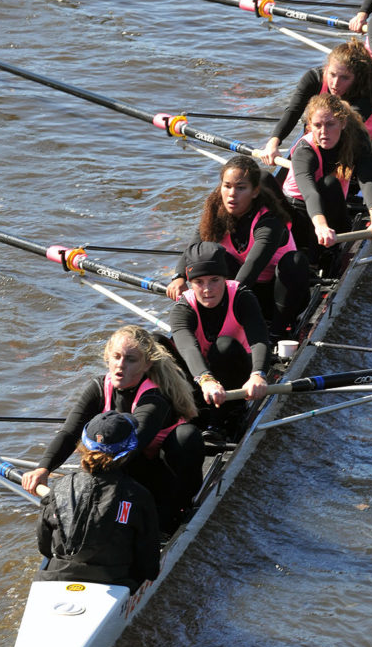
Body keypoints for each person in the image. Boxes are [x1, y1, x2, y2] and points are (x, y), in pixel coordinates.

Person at [22, 325, 204, 533]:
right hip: (125, 468)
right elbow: (69, 432)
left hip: (162, 473)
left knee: (186, 436)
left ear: (147, 365)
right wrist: (44, 468)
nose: (120, 365)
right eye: (116, 357)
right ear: (107, 358)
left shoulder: (155, 398)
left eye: (130, 359)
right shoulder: (99, 387)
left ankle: (170, 520)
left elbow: (134, 442)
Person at [166, 155, 310, 342]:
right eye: (227, 186)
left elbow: (252, 268)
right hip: (246, 293)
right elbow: (194, 248)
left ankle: (277, 333)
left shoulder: (269, 222)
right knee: (214, 257)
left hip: (280, 295)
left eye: (241, 188)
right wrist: (179, 277)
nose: (232, 194)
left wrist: (225, 308)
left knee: (295, 262)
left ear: (255, 191)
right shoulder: (216, 212)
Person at [35, 410, 160, 592]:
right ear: (128, 451)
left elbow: (44, 546)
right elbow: (150, 566)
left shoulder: (59, 487)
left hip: (56, 576)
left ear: (82, 447)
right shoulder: (138, 495)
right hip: (116, 581)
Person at [260, 38, 372, 187]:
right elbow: (293, 111)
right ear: (327, 68)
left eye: (344, 78)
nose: (335, 83)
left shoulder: (369, 90)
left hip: (363, 148)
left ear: (357, 78)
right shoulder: (314, 79)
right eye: (332, 74)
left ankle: (361, 191)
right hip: (324, 141)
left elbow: (347, 124)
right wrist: (273, 142)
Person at [169, 241, 270, 440]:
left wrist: (259, 374)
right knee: (153, 346)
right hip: (203, 379)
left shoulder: (242, 297)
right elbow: (187, 347)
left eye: (214, 280)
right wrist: (205, 379)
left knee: (224, 346)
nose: (207, 289)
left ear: (225, 278)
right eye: (199, 282)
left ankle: (222, 420)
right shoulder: (182, 308)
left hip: (236, 374)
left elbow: (259, 338)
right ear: (190, 283)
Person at [282, 92, 372, 263]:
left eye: (330, 124)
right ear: (309, 126)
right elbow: (310, 193)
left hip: (332, 206)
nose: (324, 132)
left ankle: (330, 252)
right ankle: (315, 254)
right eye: (317, 125)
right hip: (298, 210)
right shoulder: (304, 151)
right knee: (328, 184)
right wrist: (321, 226)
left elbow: (367, 180)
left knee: (329, 184)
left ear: (343, 123)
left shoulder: (358, 140)